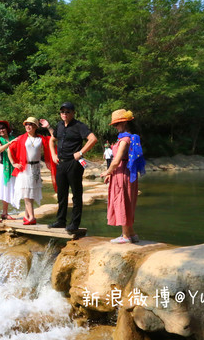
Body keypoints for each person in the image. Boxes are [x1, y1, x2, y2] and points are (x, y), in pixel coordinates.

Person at [47, 102, 98, 232]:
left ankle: (74, 223)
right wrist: (53, 154)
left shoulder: (79, 126)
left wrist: (81, 152)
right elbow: (52, 140)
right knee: (61, 194)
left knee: (76, 193)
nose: (64, 114)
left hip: (74, 164)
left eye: (67, 112)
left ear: (73, 113)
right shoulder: (59, 125)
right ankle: (60, 221)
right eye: (62, 112)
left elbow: (93, 139)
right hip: (61, 163)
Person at [100, 109, 146, 244]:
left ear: (124, 123)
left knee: (122, 201)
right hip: (125, 173)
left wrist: (107, 171)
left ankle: (125, 236)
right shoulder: (128, 137)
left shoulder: (125, 139)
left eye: (116, 124)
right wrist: (111, 173)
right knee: (127, 200)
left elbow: (117, 160)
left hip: (122, 174)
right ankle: (132, 233)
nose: (115, 127)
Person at [9, 117, 56, 225]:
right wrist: (13, 163)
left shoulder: (41, 139)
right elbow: (9, 149)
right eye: (26, 124)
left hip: (35, 168)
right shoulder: (21, 138)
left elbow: (54, 138)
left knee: (31, 192)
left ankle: (27, 215)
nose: (28, 126)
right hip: (24, 168)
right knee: (26, 193)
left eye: (30, 124)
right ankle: (32, 217)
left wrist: (48, 127)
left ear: (35, 126)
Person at [0, 120, 19, 222]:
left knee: (8, 189)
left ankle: (5, 213)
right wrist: (10, 143)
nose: (1, 130)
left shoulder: (13, 138)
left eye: (3, 128)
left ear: (7, 129)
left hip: (12, 166)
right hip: (3, 168)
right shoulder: (0, 141)